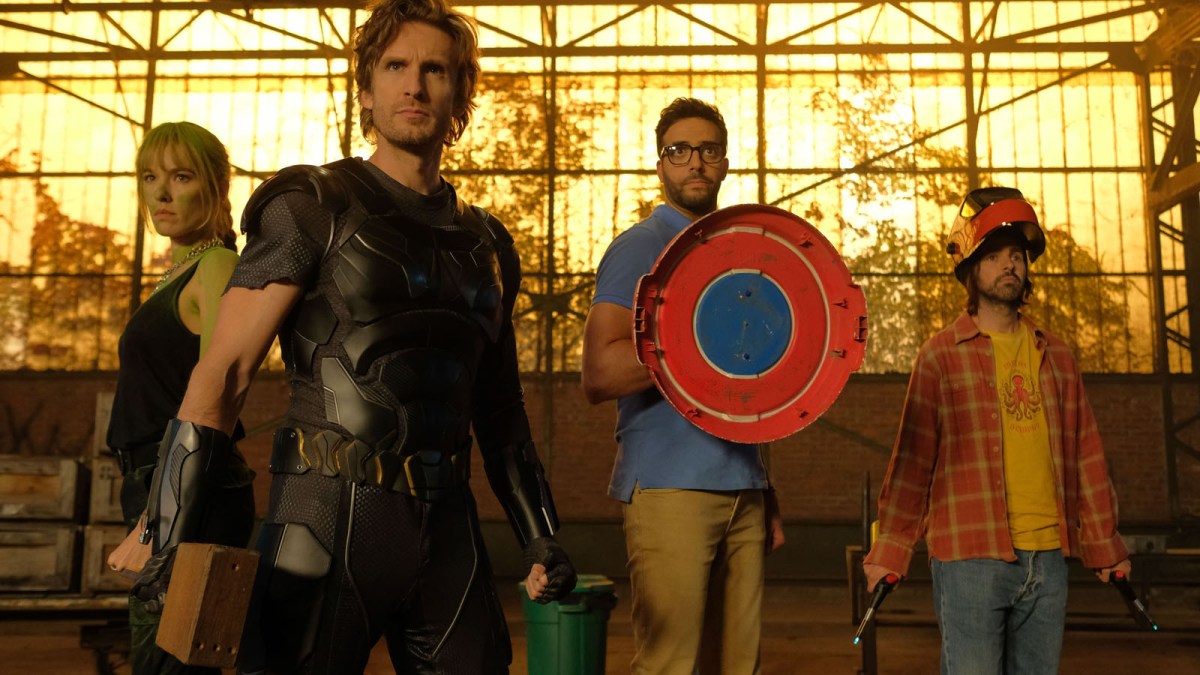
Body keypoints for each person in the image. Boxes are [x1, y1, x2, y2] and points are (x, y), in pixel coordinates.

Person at [130, 1, 575, 673]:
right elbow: (224, 372)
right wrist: (167, 536)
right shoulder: (310, 205)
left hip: (448, 526)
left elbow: (500, 406)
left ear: (461, 95)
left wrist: (539, 533)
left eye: (435, 70)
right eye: (395, 66)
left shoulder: (486, 244)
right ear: (366, 89)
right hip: (323, 513)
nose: (414, 85)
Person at [863, 186, 1131, 675]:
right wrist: (891, 549)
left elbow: (1086, 454)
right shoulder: (940, 356)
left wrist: (1105, 544)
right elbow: (912, 463)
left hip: (1048, 556)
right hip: (969, 556)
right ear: (970, 268)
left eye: (1017, 256)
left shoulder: (1058, 356)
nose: (1010, 264)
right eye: (994, 256)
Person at [581, 97, 785, 675]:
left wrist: (764, 485)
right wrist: (693, 347)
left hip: (743, 485)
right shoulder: (639, 247)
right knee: (671, 664)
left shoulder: (739, 249)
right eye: (679, 150)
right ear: (660, 165)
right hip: (670, 487)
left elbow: (752, 384)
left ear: (725, 163)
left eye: (708, 150)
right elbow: (599, 373)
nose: (695, 161)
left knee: (738, 666)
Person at [105, 121, 256, 675]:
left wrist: (160, 514)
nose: (161, 193)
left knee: (170, 660)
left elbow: (221, 390)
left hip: (187, 485)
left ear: (215, 186)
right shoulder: (180, 272)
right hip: (160, 481)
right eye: (150, 177)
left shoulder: (217, 266)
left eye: (181, 177)